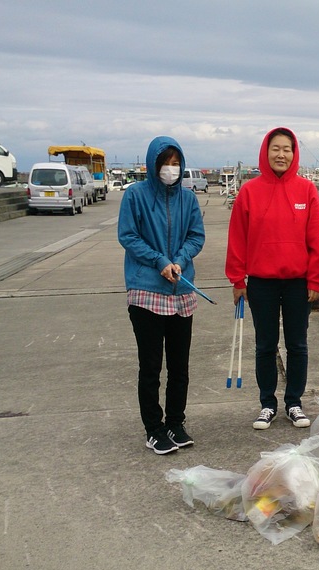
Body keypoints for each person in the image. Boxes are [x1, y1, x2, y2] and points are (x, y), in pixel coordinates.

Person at [226, 127, 319, 430]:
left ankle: (294, 402)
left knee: (297, 345)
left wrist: (315, 280)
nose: (281, 154)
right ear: (265, 152)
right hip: (261, 282)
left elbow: (315, 239)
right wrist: (237, 280)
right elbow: (237, 238)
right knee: (265, 346)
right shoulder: (249, 191)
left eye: (287, 149)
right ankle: (267, 403)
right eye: (276, 149)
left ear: (294, 154)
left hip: (298, 283)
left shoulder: (306, 190)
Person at [118, 136, 206, 455]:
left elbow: (197, 236)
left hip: (181, 291)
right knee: (151, 365)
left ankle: (176, 422)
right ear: (152, 165)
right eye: (164, 162)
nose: (170, 168)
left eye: (175, 162)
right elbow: (127, 235)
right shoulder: (135, 196)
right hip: (146, 291)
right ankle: (154, 428)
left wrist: (180, 260)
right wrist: (159, 261)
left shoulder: (188, 199)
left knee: (180, 365)